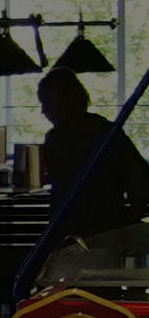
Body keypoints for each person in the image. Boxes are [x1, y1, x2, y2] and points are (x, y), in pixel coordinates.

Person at [34, 69, 149, 253]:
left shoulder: (63, 139)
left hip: (80, 235)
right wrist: (128, 222)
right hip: (93, 235)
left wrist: (127, 222)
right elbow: (140, 182)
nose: (43, 111)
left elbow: (140, 181)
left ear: (67, 101)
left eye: (47, 103)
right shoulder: (105, 133)